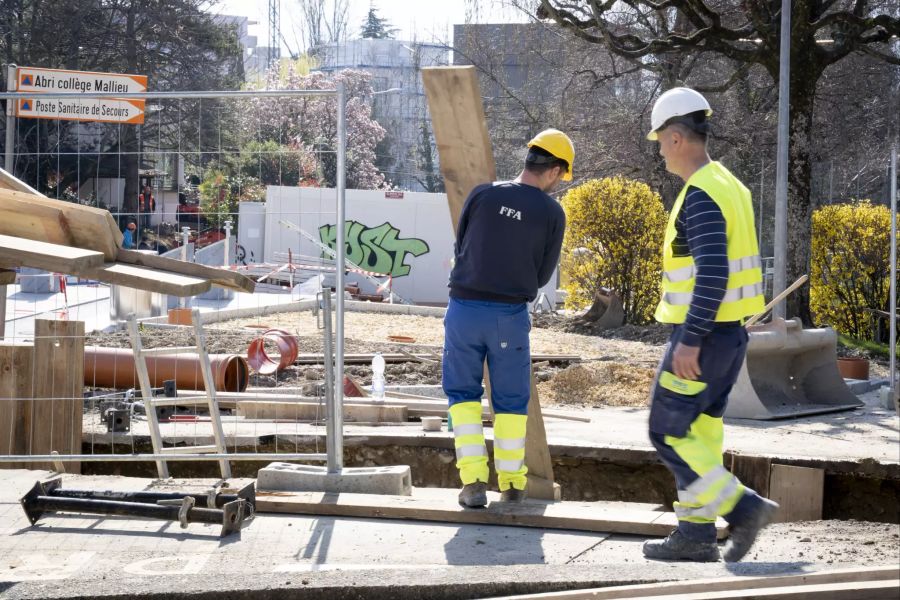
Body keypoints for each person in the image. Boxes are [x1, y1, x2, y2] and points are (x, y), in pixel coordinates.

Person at [641, 88, 778, 563]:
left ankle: (742, 509)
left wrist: (690, 339)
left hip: (701, 335)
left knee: (667, 430)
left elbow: (713, 273)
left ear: (677, 138)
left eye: (660, 140)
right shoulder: (730, 185)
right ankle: (696, 536)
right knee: (699, 434)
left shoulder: (699, 194)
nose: (658, 149)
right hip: (729, 335)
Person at [444, 129, 573, 508]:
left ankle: (472, 485)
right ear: (554, 170)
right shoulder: (551, 212)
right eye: (561, 178)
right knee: (511, 400)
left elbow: (462, 244)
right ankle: (513, 483)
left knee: (463, 397)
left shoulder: (483, 195)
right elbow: (543, 275)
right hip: (509, 316)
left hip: (463, 310)